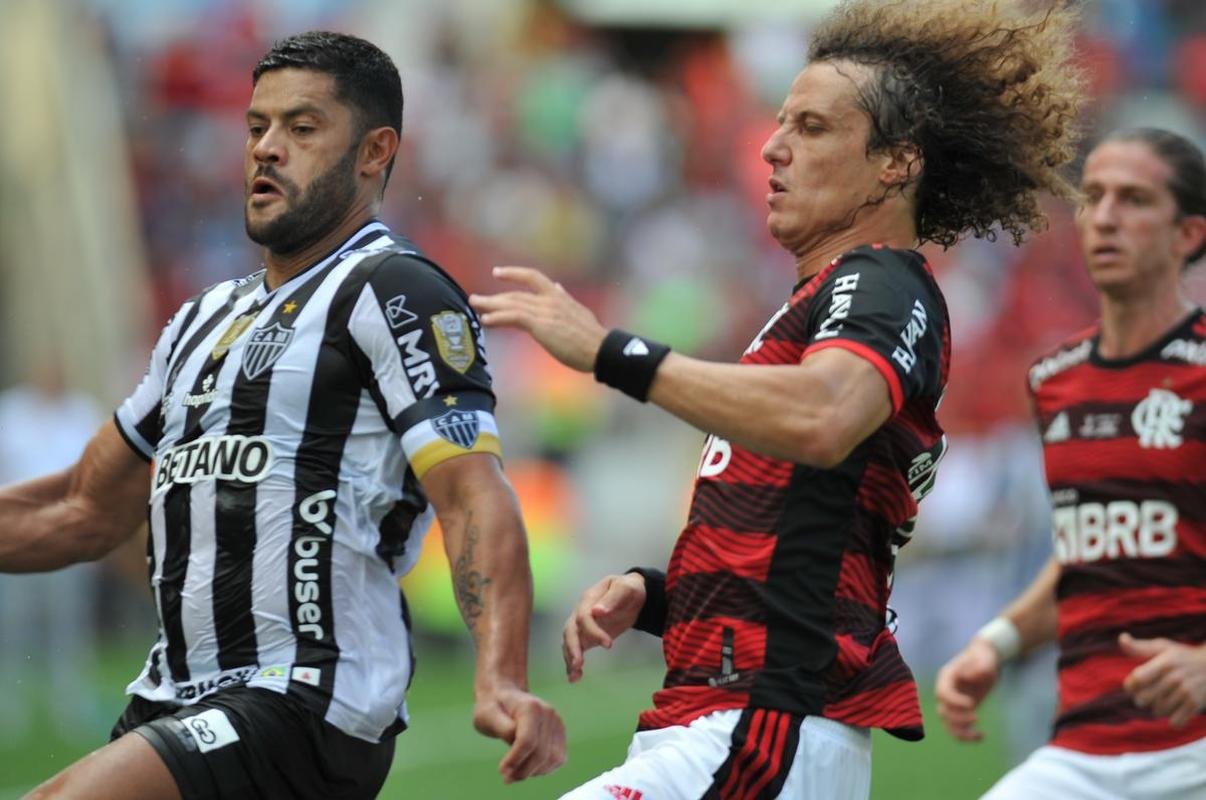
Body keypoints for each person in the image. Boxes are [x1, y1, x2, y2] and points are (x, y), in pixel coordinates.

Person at [470, 1, 1086, 797]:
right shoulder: (817, 304)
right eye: (782, 121)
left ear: (896, 164)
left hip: (765, 724)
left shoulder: (881, 283)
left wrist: (609, 351)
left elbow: (823, 417)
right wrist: (660, 596)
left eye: (813, 127)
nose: (772, 146)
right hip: (730, 720)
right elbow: (804, 538)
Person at [0, 31, 564, 800]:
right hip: (174, 697)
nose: (266, 148)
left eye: (301, 128)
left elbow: (471, 493)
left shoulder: (394, 290)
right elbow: (82, 508)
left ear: (374, 152)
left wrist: (501, 676)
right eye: (256, 126)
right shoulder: (202, 318)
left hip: (305, 696)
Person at [934, 128, 1206, 799]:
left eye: (1134, 199)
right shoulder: (1056, 382)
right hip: (1084, 750)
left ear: (1188, 234)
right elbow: (1087, 555)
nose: (1106, 217)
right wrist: (996, 642)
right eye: (1093, 197)